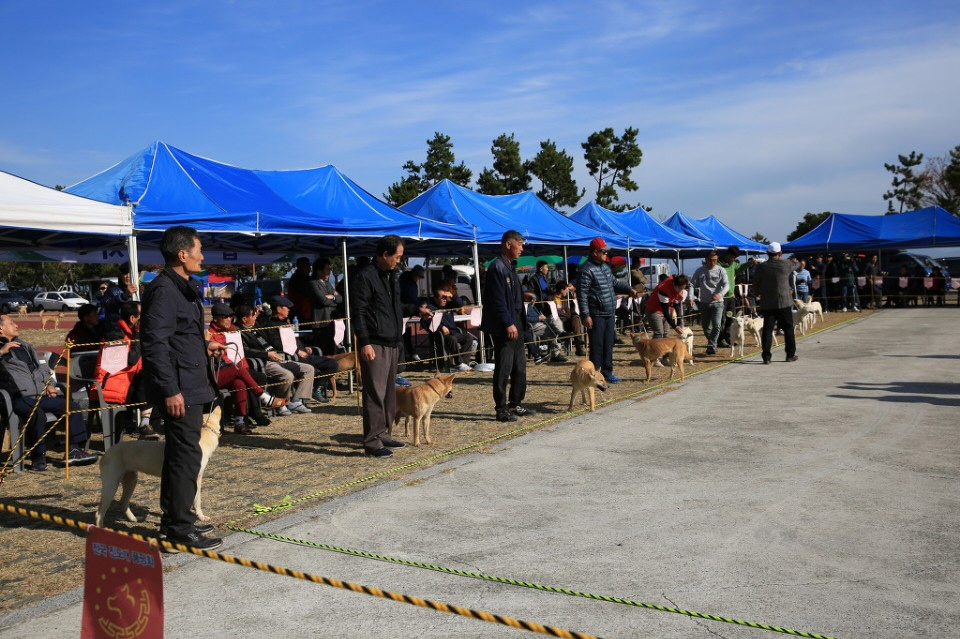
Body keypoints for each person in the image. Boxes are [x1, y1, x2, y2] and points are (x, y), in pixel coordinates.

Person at [140, 225, 223, 551]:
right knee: (183, 458)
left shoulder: (182, 288)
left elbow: (179, 337)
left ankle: (177, 520)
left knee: (184, 457)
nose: (203, 256)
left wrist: (205, 347)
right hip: (180, 389)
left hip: (192, 383)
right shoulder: (163, 290)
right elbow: (155, 345)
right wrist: (170, 390)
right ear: (182, 253)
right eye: (198, 250)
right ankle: (178, 528)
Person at [351, 235, 432, 456]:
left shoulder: (391, 276)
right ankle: (371, 441)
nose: (399, 261)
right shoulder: (365, 277)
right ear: (385, 254)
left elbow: (395, 307)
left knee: (388, 392)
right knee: (375, 393)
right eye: (397, 256)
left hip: (393, 341)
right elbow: (358, 312)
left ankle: (384, 433)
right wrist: (365, 342)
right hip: (375, 343)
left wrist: (416, 310)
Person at [0, 314, 98, 471]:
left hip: (39, 395)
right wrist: (2, 351)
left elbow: (41, 369)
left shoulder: (24, 346)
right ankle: (38, 457)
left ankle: (74, 449)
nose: (17, 325)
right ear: (1, 329)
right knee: (36, 414)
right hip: (16, 398)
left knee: (71, 406)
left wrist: (50, 384)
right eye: (12, 323)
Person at [207, 303, 288, 433]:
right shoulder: (209, 334)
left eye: (231, 316)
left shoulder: (232, 330)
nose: (229, 319)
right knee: (239, 370)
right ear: (216, 318)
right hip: (215, 373)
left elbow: (253, 328)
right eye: (225, 316)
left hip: (233, 370)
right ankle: (264, 399)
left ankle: (240, 421)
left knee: (240, 383)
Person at [481, 230, 535, 423]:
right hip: (505, 325)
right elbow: (497, 301)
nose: (522, 248)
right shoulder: (497, 267)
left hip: (518, 322)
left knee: (520, 367)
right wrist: (508, 323)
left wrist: (523, 296)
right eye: (519, 244)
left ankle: (515, 402)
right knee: (504, 367)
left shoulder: (510, 267)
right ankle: (501, 407)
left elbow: (509, 296)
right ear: (508, 244)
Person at [94, 300, 158, 440]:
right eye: (143, 315)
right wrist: (140, 337)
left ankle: (144, 424)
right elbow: (130, 360)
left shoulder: (131, 333)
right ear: (133, 318)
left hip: (127, 382)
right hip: (111, 384)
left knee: (155, 384)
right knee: (148, 384)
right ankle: (143, 426)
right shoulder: (115, 334)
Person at [258, 296, 340, 404]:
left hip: (303, 354)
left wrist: (304, 347)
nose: (289, 310)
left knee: (333, 364)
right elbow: (278, 345)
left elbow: (295, 340)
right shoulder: (270, 326)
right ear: (278, 309)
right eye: (286, 307)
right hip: (292, 357)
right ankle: (305, 394)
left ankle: (314, 388)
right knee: (313, 369)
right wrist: (297, 351)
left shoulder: (286, 323)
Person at [235, 304, 317, 411]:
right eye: (253, 316)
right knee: (287, 376)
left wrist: (263, 309)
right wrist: (266, 355)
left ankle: (296, 400)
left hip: (278, 357)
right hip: (264, 361)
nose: (255, 318)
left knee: (308, 369)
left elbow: (266, 317)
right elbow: (245, 351)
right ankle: (281, 403)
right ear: (244, 319)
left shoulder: (256, 326)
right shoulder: (237, 331)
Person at [578, 237, 636, 384]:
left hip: (609, 312)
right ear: (595, 252)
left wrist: (629, 289)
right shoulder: (586, 269)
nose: (606, 254)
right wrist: (585, 315)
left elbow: (614, 283)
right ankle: (595, 374)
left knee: (608, 344)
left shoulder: (605, 267)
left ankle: (607, 372)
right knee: (597, 347)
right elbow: (582, 294)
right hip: (595, 314)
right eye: (604, 252)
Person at [752, 242, 798, 364]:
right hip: (784, 302)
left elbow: (755, 283)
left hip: (767, 303)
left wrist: (756, 293)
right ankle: (790, 354)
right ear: (780, 253)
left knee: (767, 330)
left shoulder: (761, 267)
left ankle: (766, 357)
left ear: (768, 253)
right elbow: (796, 264)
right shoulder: (785, 264)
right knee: (788, 329)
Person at [422, 285, 476, 372]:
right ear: (435, 298)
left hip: (453, 332)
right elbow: (425, 321)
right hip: (441, 334)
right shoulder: (431, 308)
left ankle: (464, 363)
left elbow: (461, 304)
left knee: (469, 338)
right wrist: (441, 327)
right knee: (452, 339)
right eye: (441, 297)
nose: (444, 299)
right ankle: (459, 363)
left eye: (445, 297)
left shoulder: (449, 305)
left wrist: (452, 296)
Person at [690, 251, 729, 355]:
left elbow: (727, 285)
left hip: (718, 303)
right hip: (704, 302)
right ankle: (713, 344)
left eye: (715, 260)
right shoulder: (700, 271)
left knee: (717, 325)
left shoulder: (721, 270)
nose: (713, 262)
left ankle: (711, 346)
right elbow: (691, 284)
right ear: (706, 260)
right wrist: (691, 297)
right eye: (710, 260)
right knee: (706, 327)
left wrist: (720, 294)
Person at [306, 257, 342, 356]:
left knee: (333, 350)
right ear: (319, 271)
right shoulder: (313, 283)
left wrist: (333, 298)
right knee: (324, 351)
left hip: (332, 321)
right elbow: (323, 301)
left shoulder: (327, 283)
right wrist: (334, 298)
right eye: (327, 269)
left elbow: (340, 298)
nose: (329, 272)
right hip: (321, 323)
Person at [644, 274, 690, 340]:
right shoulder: (663, 290)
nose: (681, 291)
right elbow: (665, 312)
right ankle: (655, 349)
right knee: (659, 333)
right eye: (680, 289)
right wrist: (675, 327)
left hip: (665, 309)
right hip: (654, 310)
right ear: (675, 285)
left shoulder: (675, 279)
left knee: (666, 333)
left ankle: (665, 349)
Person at [552, 281, 586, 357]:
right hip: (557, 322)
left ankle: (578, 347)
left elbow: (568, 313)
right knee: (573, 319)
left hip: (566, 321)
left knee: (576, 317)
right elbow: (555, 313)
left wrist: (563, 311)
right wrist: (563, 312)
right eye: (566, 289)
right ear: (561, 290)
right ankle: (578, 341)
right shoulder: (551, 298)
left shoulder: (564, 300)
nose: (567, 291)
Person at [286, 256, 313, 323]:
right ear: (301, 266)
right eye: (307, 265)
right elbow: (306, 293)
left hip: (304, 311)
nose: (310, 268)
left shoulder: (303, 278)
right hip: (300, 311)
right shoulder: (298, 279)